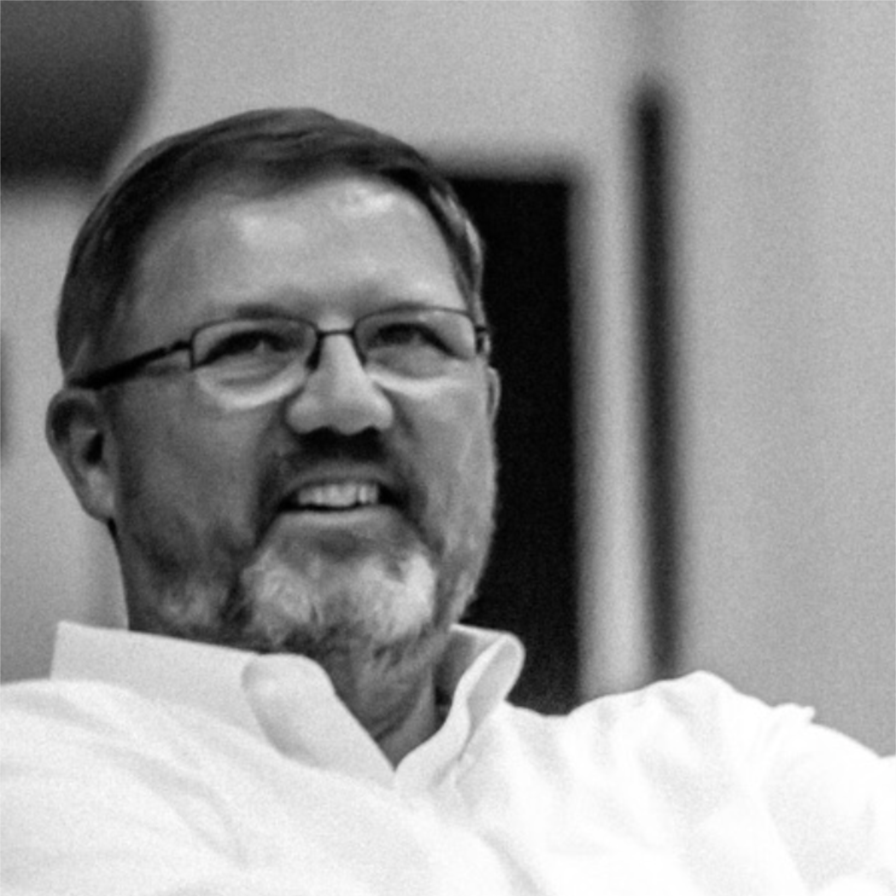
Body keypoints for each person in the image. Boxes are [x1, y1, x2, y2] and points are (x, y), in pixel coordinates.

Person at [0, 108, 893, 896]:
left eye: (408, 338)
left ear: (486, 412)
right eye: (251, 346)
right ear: (94, 451)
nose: (348, 402)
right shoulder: (34, 783)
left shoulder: (717, 760)